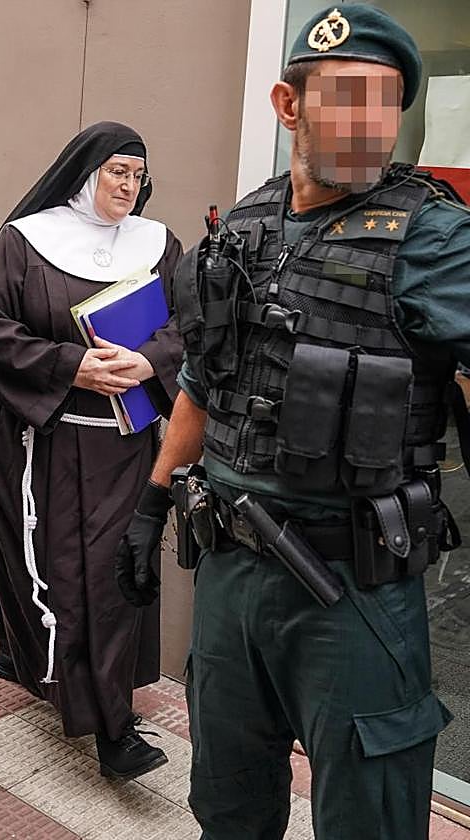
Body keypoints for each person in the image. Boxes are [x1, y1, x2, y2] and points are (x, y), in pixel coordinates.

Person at [113, 6, 469, 838]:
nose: (370, 121)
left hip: (355, 591)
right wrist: (151, 503)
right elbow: (206, 378)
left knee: (368, 822)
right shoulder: (246, 225)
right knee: (229, 808)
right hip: (233, 578)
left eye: (386, 102)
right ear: (287, 105)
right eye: (346, 97)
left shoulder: (433, 240)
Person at [0, 122, 183, 781]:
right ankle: (83, 698)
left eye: (137, 175)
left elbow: (194, 324)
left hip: (131, 443)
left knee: (120, 577)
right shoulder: (25, 242)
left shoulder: (158, 245)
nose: (127, 186)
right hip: (52, 442)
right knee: (65, 579)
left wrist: (151, 361)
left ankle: (110, 718)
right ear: (86, 172)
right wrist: (72, 366)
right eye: (116, 171)